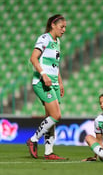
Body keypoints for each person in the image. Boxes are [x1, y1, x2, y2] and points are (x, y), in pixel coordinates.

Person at [27, 14, 67, 160]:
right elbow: (33, 58)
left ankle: (49, 152)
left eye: (65, 27)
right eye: (62, 27)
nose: (64, 30)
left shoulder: (57, 42)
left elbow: (55, 66)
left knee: (51, 118)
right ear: (53, 25)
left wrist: (60, 82)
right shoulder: (44, 38)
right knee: (56, 116)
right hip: (43, 82)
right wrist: (43, 75)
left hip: (53, 83)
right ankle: (33, 140)